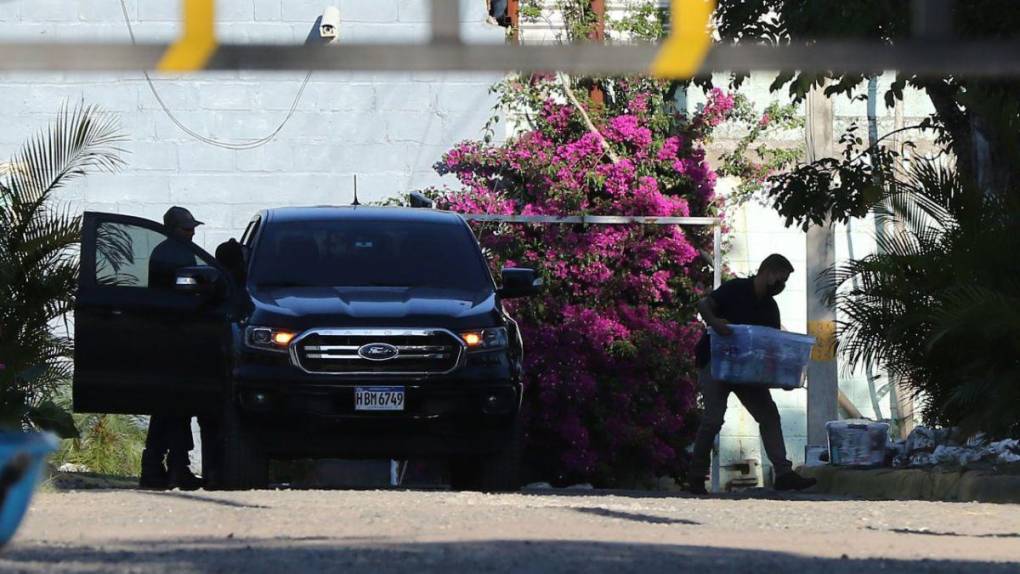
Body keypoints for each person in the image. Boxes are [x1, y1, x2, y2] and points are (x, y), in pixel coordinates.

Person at [688, 254, 818, 495]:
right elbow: (704, 304)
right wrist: (714, 323)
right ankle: (696, 477)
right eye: (781, 277)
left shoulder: (769, 307)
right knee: (714, 419)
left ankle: (783, 474)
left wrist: (783, 379)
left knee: (768, 414)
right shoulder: (735, 288)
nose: (782, 284)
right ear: (768, 272)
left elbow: (771, 349)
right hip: (715, 362)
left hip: (746, 370)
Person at [139, 206, 204, 490]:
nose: (191, 233)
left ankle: (164, 466)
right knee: (174, 406)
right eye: (185, 228)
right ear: (171, 229)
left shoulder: (175, 251)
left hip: (173, 338)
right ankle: (172, 466)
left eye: (192, 228)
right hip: (172, 339)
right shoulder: (172, 253)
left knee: (170, 408)